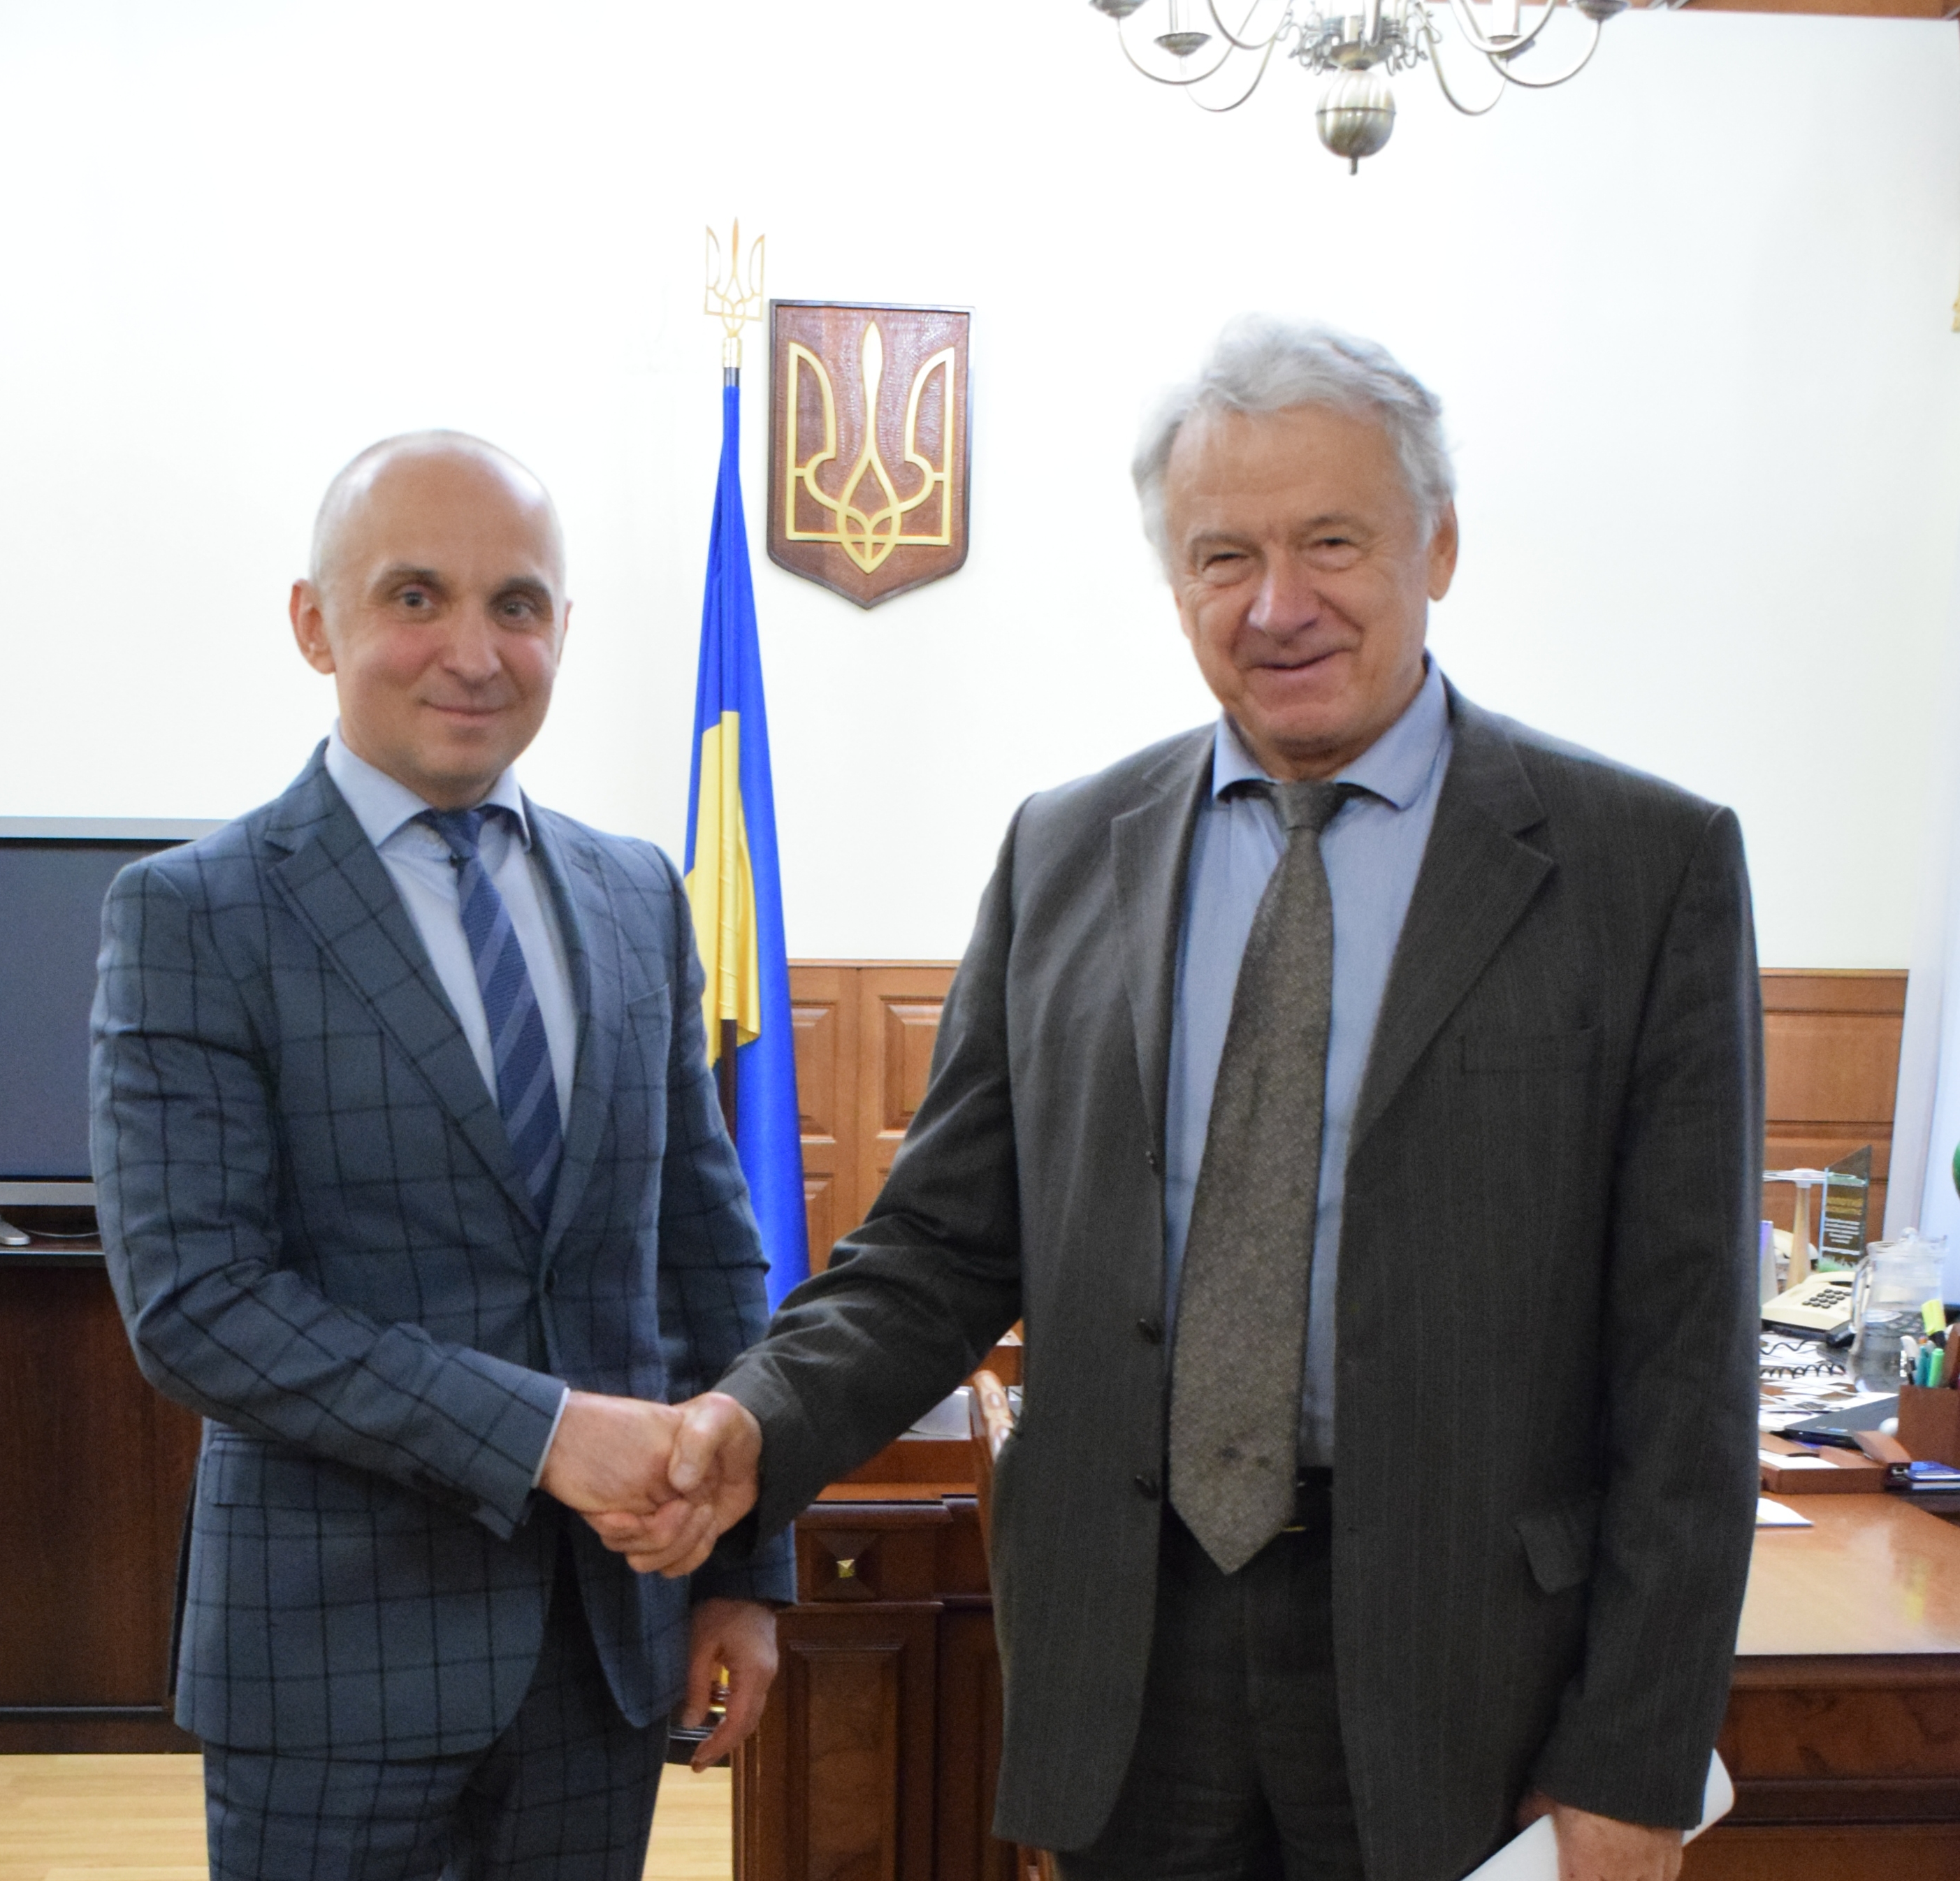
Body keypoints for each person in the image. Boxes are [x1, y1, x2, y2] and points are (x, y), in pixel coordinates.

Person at [600, 321, 1762, 1881]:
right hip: (1129, 1671)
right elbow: (940, 1250)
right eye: (1224, 556)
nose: (1277, 604)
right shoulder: (1066, 850)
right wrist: (756, 1422)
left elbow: (1689, 1369)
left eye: (1331, 541)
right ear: (1176, 582)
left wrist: (1636, 1761)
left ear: (1438, 545)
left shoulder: (1646, 869)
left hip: (1475, 1679)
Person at [92, 431, 792, 1881]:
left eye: (516, 604)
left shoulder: (636, 896)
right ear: (316, 622)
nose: (473, 652)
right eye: (416, 596)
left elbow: (709, 1250)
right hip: (330, 1666)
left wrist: (741, 1571)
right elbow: (198, 1305)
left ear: (562, 630)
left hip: (604, 1657)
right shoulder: (195, 915)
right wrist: (547, 1433)